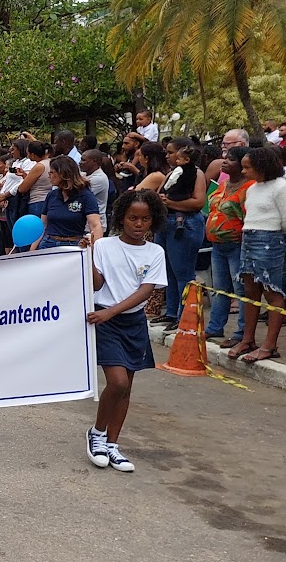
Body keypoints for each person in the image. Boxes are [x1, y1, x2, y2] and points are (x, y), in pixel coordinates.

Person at [86, 190, 168, 473]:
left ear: (153, 220)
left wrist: (112, 311)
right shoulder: (104, 246)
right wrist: (87, 257)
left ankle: (112, 444)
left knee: (127, 388)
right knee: (118, 382)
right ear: (121, 217)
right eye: (133, 218)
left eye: (145, 219)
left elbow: (146, 291)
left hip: (132, 322)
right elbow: (97, 284)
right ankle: (97, 434)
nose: (139, 224)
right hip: (105, 321)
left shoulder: (155, 252)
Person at [230, 147, 286, 363]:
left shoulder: (280, 187)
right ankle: (248, 339)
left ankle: (269, 345)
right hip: (249, 237)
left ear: (262, 167)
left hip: (270, 240)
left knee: (272, 292)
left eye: (248, 167)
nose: (243, 171)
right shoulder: (253, 188)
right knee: (250, 290)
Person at [155, 138, 207, 332]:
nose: (167, 155)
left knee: (182, 272)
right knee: (168, 271)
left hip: (185, 224)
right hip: (165, 223)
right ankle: (171, 311)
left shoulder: (196, 173)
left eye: (171, 152)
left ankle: (184, 314)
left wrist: (169, 203)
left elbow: (198, 202)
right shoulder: (172, 172)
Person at [204, 147, 253, 345]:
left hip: (237, 245)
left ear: (242, 164)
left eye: (230, 159)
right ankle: (215, 327)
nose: (224, 161)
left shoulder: (249, 187)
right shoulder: (223, 184)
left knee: (241, 291)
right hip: (217, 245)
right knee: (220, 289)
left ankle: (241, 333)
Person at [38, 156, 103, 250]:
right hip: (48, 243)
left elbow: (95, 225)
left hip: (73, 245)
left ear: (63, 174)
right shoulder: (52, 195)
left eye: (51, 173)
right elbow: (42, 225)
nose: (49, 176)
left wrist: (95, 249)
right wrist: (32, 251)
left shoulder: (85, 196)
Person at [79, 150, 113, 232]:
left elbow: (78, 194)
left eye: (83, 160)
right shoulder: (84, 174)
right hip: (85, 223)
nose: (80, 162)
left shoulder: (99, 178)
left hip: (95, 225)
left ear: (94, 161)